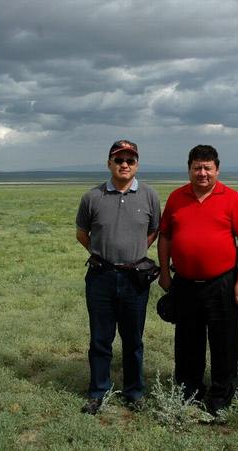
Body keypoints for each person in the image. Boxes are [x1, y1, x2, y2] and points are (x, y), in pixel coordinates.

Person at [158, 145, 238, 415]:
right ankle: (189, 390)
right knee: (187, 340)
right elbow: (165, 236)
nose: (202, 173)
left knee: (223, 341)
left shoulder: (232, 198)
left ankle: (221, 396)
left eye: (207, 168)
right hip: (185, 283)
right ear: (189, 169)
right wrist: (165, 273)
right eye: (197, 167)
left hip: (222, 282)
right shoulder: (177, 197)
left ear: (217, 170)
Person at [76, 139, 161, 415]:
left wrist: (134, 254)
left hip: (134, 278)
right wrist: (101, 254)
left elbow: (152, 232)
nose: (125, 165)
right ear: (109, 163)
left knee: (133, 339)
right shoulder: (92, 197)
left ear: (137, 164)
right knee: (100, 338)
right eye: (119, 160)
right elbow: (82, 233)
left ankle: (134, 392)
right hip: (100, 277)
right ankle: (98, 391)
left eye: (130, 160)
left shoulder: (149, 196)